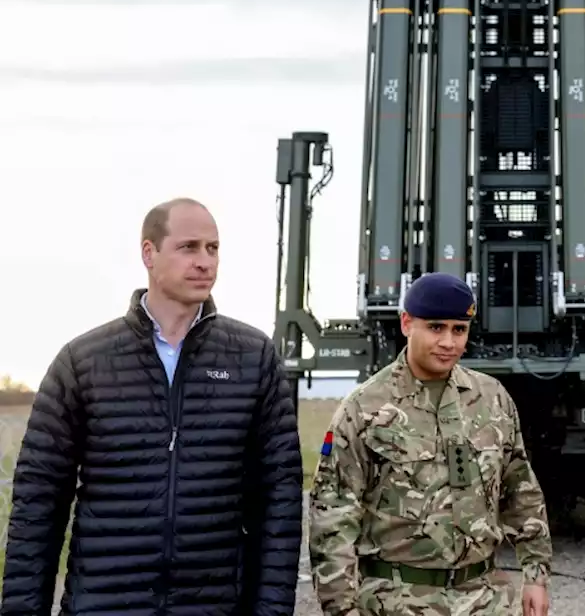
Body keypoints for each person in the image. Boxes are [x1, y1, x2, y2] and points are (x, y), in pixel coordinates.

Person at [1, 197, 303, 616]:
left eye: (213, 249)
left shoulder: (253, 358)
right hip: (104, 605)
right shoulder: (84, 361)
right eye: (189, 247)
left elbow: (279, 500)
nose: (205, 262)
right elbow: (38, 502)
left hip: (213, 606)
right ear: (149, 253)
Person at [309, 272, 553, 616]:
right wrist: (341, 607)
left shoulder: (491, 400)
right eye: (436, 328)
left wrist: (536, 575)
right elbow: (333, 517)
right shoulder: (365, 408)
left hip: (483, 601)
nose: (449, 342)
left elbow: (520, 491)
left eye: (459, 330)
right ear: (407, 323)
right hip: (395, 602)